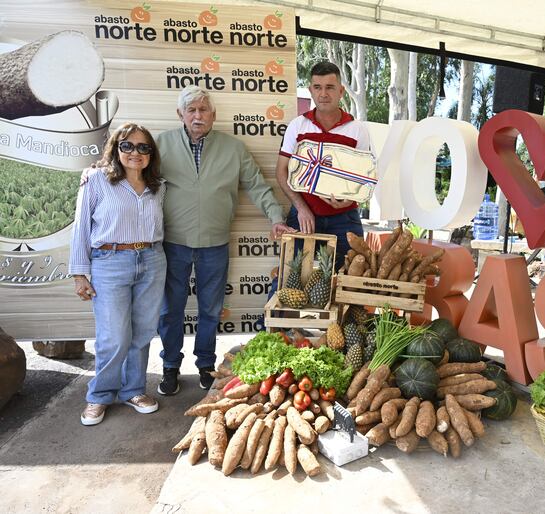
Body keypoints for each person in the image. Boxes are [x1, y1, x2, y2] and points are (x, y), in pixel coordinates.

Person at [156, 86, 294, 396]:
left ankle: (206, 364)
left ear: (213, 115)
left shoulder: (234, 148)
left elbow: (258, 186)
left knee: (210, 309)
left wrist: (276, 218)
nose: (198, 115)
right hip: (173, 243)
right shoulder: (160, 144)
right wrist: (98, 172)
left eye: (203, 109)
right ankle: (169, 367)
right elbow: (131, 172)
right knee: (170, 310)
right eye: (191, 110)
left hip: (215, 243)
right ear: (180, 114)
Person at [69, 122, 166, 426]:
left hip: (152, 258)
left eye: (142, 147)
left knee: (142, 331)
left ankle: (134, 390)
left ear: (150, 153)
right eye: (127, 146)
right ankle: (99, 395)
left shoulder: (157, 186)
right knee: (114, 336)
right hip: (110, 261)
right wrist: (79, 273)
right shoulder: (96, 179)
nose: (135, 152)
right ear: (115, 148)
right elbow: (81, 226)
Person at [275, 61, 373, 272]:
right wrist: (301, 208)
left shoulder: (357, 130)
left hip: (345, 218)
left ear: (341, 91)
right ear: (310, 90)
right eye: (317, 87)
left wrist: (350, 198)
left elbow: (365, 177)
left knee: (348, 283)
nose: (323, 94)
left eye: (329, 87)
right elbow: (281, 171)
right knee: (293, 279)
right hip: (304, 215)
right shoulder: (297, 126)